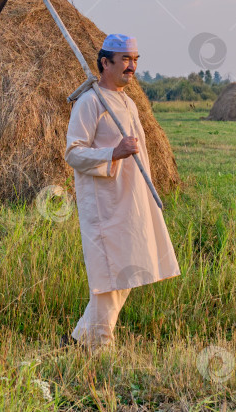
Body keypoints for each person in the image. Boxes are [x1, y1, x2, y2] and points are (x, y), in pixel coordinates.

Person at [62, 33, 181, 353]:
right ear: (105, 62)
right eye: (126, 59)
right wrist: (113, 153)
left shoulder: (127, 103)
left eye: (136, 60)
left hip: (133, 201)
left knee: (127, 273)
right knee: (109, 277)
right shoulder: (90, 103)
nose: (132, 66)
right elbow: (73, 154)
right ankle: (101, 351)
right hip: (105, 204)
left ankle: (76, 341)